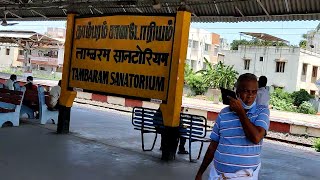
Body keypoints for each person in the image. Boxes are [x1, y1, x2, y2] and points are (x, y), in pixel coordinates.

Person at [195, 73, 270, 180]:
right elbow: (213, 145)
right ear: (237, 92)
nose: (250, 96)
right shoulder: (224, 113)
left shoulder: (262, 112)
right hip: (217, 175)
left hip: (245, 176)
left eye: (254, 92)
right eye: (246, 91)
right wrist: (200, 172)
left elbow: (256, 138)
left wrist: (241, 113)